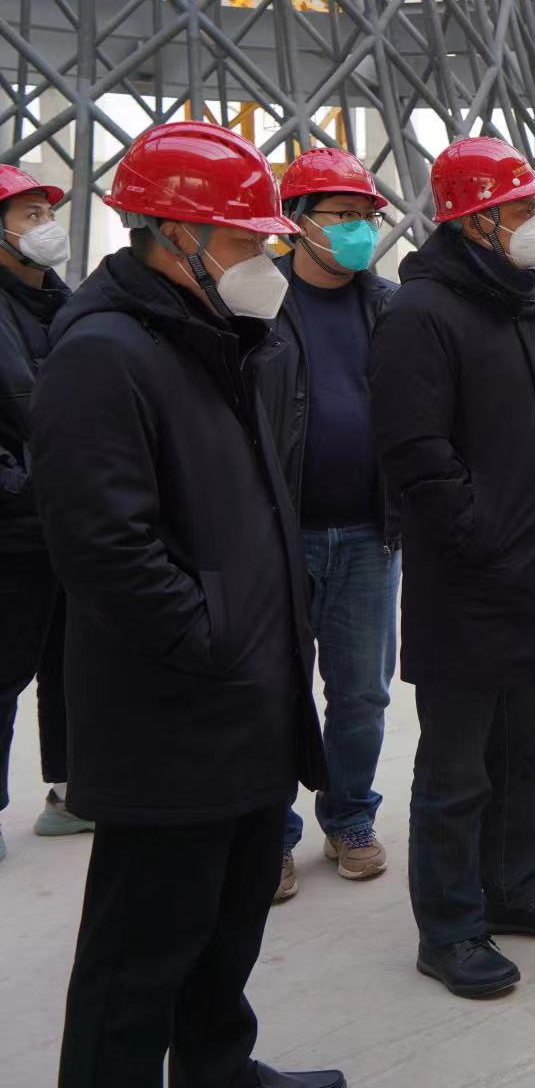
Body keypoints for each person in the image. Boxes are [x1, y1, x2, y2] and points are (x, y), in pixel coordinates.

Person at [31, 122, 341, 1087]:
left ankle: (218, 1072)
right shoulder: (105, 353)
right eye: (248, 242)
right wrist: (212, 640)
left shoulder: (224, 340)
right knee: (139, 958)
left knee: (225, 930)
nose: (265, 263)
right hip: (172, 714)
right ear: (176, 236)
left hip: (247, 697)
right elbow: (104, 547)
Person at [371, 136, 535, 1000]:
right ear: (474, 222)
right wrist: (482, 538)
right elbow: (417, 456)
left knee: (524, 749)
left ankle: (511, 888)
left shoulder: (525, 302)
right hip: (469, 584)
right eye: (520, 209)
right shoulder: (421, 314)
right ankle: (450, 927)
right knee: (457, 768)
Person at [260, 147, 399, 901]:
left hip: (370, 534)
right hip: (279, 537)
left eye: (365, 216)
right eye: (341, 215)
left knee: (361, 694)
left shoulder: (388, 305)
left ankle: (349, 818)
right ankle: (270, 834)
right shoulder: (255, 301)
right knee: (273, 690)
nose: (357, 229)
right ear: (297, 222)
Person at [0, 164, 91, 861]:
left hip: (72, 520)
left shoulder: (66, 303)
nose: (45, 226)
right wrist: (24, 488)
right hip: (12, 527)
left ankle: (73, 793)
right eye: (29, 214)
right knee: (3, 670)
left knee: (74, 664)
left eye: (47, 212)